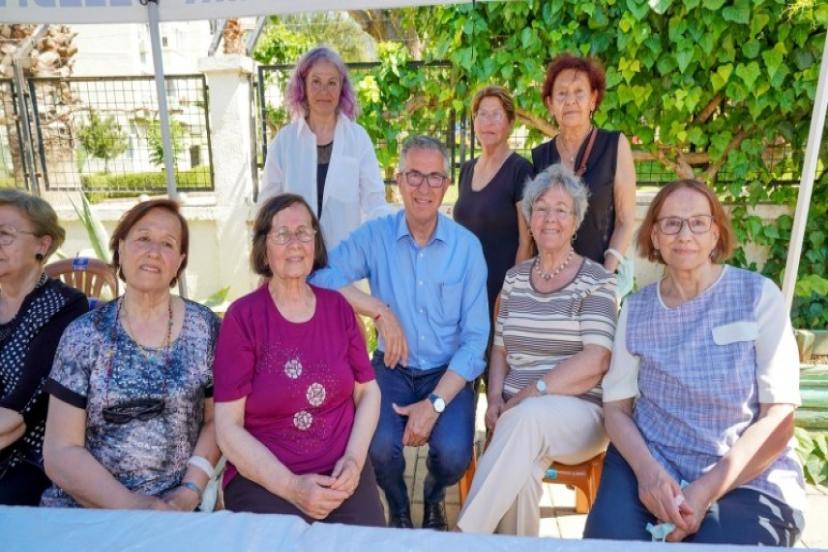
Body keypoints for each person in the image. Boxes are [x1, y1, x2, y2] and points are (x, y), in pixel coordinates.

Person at [584, 180, 805, 545]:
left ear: (716, 233)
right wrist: (648, 473)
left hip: (745, 474)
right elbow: (616, 409)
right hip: (651, 464)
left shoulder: (758, 296)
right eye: (671, 223)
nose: (684, 234)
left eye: (698, 223)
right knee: (606, 545)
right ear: (654, 236)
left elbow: (779, 418)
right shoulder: (636, 310)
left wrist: (702, 493)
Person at [311, 135, 489, 530]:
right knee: (377, 447)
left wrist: (434, 404)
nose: (424, 187)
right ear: (399, 180)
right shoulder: (376, 236)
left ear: (447, 184)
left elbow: (476, 341)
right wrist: (377, 308)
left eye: (434, 177)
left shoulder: (467, 248)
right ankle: (398, 505)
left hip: (447, 371)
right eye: (414, 176)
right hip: (392, 367)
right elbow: (319, 275)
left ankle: (433, 495)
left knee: (454, 454)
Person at [456, 165, 617, 536]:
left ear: (576, 221)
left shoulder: (596, 280)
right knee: (522, 473)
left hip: (580, 414)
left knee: (526, 417)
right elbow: (500, 351)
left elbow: (597, 359)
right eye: (541, 208)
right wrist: (495, 398)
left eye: (561, 209)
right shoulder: (514, 279)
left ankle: (463, 540)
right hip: (516, 417)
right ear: (529, 218)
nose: (550, 218)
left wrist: (532, 392)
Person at [212, 193, 384, 526]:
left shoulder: (338, 308)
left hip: (340, 472)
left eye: (303, 232)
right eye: (282, 234)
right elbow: (228, 427)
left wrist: (354, 460)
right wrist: (291, 487)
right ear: (264, 248)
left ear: (315, 243)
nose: (295, 243)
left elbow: (368, 392)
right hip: (265, 478)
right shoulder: (243, 318)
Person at [41, 199, 221, 510]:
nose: (154, 252)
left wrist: (190, 490)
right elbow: (61, 450)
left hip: (176, 505)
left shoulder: (204, 328)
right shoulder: (84, 334)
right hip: (90, 506)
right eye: (143, 238)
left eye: (168, 244)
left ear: (179, 261)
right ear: (120, 248)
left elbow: (217, 420)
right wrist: (133, 506)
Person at [0, 190, 88, 506]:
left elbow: (22, 408)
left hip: (34, 461)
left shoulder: (65, 306)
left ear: (43, 244)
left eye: (5, 235)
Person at [260, 46, 390, 249]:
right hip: (295, 257)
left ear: (341, 88)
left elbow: (374, 201)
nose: (324, 91)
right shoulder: (284, 142)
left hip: (344, 259)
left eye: (332, 83)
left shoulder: (358, 139)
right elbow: (268, 206)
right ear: (303, 86)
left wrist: (383, 247)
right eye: (316, 82)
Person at [532, 53, 636, 272]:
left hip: (600, 275)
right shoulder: (540, 156)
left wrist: (605, 275)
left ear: (593, 99)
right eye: (562, 94)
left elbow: (625, 221)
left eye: (579, 92)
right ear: (550, 104)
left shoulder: (614, 145)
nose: (570, 101)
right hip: (551, 278)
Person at [453, 86, 533, 317]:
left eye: (496, 115)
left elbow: (527, 242)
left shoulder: (520, 170)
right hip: (465, 289)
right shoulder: (466, 170)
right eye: (482, 114)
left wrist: (511, 292)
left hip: (500, 291)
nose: (488, 122)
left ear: (510, 123)